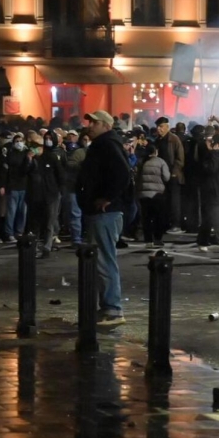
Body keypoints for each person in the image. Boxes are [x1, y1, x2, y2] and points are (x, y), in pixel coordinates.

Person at [77, 110, 132, 326]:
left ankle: (113, 309)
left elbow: (123, 174)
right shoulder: (105, 143)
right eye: (89, 121)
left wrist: (107, 197)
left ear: (106, 125)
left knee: (104, 260)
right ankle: (108, 307)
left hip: (105, 213)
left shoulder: (107, 144)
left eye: (95, 122)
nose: (90, 125)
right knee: (101, 259)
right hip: (101, 211)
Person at [154, 116, 185, 234]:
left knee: (174, 202)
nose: (159, 129)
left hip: (173, 176)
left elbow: (180, 158)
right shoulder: (158, 140)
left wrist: (174, 173)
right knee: (164, 201)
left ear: (167, 126)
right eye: (157, 126)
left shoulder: (174, 139)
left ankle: (176, 224)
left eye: (161, 126)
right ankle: (165, 223)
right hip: (161, 175)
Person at [138, 143, 170, 248]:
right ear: (156, 152)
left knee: (147, 218)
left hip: (144, 194)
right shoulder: (161, 162)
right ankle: (157, 238)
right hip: (158, 194)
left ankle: (148, 240)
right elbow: (166, 177)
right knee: (158, 217)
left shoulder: (142, 162)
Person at [4, 133, 32, 243]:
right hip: (13, 187)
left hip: (24, 186)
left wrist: (29, 159)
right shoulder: (10, 154)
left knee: (22, 212)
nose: (19, 143)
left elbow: (27, 170)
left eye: (21, 140)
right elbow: (7, 170)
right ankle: (9, 233)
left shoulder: (26, 153)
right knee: (11, 211)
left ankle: (19, 231)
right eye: (16, 141)